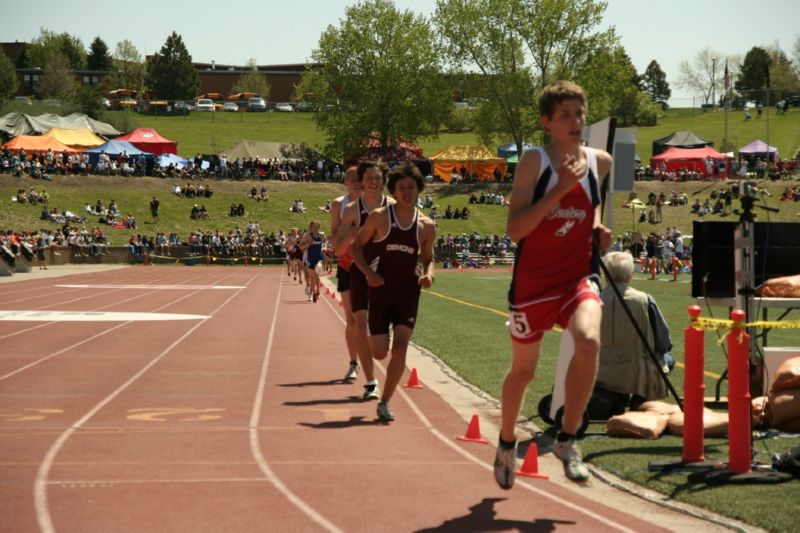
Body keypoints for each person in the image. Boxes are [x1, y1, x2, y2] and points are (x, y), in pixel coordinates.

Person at [494, 80, 612, 488]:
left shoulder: (602, 162)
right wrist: (559, 190)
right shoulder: (534, 163)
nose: (576, 121)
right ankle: (507, 441)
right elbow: (514, 230)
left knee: (589, 341)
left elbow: (592, 203)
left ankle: (568, 437)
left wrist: (597, 226)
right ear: (547, 122)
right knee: (523, 372)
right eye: (565, 115)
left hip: (578, 277)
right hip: (533, 285)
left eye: (580, 113)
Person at [351, 161, 436, 423]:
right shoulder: (379, 216)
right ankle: (377, 333)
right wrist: (369, 274)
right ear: (394, 191)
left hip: (408, 294)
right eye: (401, 188)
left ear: (418, 189)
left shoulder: (426, 226)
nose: (407, 192)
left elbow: (430, 258)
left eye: (411, 187)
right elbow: (355, 248)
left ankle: (385, 402)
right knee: (379, 353)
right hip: (380, 291)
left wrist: (428, 274)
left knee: (400, 350)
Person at [335, 162, 392, 400]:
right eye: (367, 178)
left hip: (387, 272)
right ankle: (370, 382)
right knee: (358, 323)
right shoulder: (349, 210)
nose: (370, 182)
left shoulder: (394, 207)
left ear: (383, 181)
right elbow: (338, 249)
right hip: (357, 268)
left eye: (376, 178)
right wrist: (350, 236)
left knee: (379, 337)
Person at [596, 252, 674, 408]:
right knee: (669, 359)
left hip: (599, 370)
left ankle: (615, 397)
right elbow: (664, 342)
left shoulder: (593, 300)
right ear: (630, 274)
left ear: (605, 274)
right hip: (637, 370)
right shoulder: (645, 300)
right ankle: (640, 397)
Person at [330, 168, 368, 382]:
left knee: (370, 319)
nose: (357, 183)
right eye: (353, 179)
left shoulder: (375, 204)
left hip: (371, 266)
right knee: (351, 319)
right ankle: (353, 363)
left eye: (360, 180)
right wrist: (349, 234)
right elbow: (334, 241)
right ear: (345, 181)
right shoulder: (338, 205)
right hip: (346, 265)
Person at [300, 220, 325, 302]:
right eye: (313, 227)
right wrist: (307, 244)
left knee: (317, 274)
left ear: (318, 227)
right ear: (311, 227)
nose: (315, 228)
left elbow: (324, 243)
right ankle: (314, 293)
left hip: (319, 258)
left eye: (316, 226)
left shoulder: (321, 235)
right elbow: (300, 246)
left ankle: (318, 291)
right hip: (311, 259)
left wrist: (324, 249)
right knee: (312, 277)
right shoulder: (307, 236)